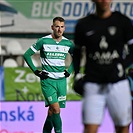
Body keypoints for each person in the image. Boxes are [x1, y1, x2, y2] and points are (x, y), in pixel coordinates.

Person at [73, 0, 133, 133]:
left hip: (118, 83)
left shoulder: (123, 22)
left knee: (123, 126)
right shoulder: (84, 24)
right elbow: (77, 52)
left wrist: (122, 65)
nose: (104, 1)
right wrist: (77, 74)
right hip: (93, 84)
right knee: (90, 128)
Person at [23, 17, 74, 133]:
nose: (59, 29)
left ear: (64, 28)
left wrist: (69, 70)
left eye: (62, 27)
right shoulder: (43, 41)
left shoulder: (68, 43)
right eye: (57, 26)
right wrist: (36, 71)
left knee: (52, 111)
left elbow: (78, 57)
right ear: (52, 27)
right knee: (56, 109)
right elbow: (26, 55)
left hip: (61, 81)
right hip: (48, 80)